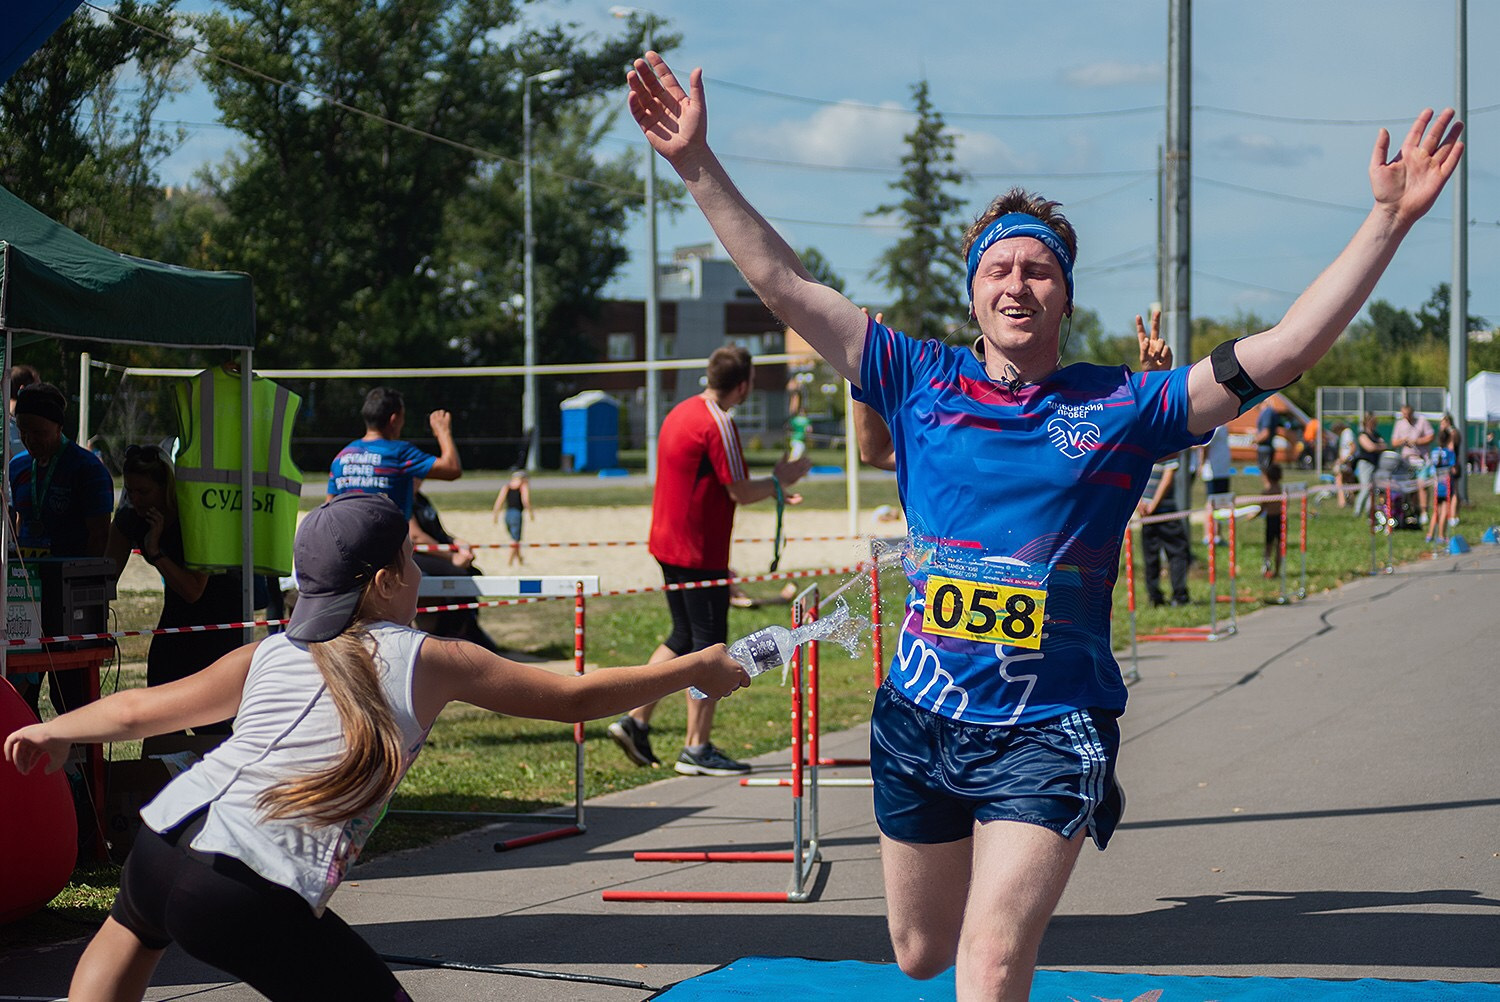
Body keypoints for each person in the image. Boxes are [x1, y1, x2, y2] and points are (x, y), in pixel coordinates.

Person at [623, 50, 1462, 999]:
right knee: (921, 954)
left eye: (1037, 270)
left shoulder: (1124, 404)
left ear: (1065, 292)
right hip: (920, 719)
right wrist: (696, 164)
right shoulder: (914, 376)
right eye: (999, 269)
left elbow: (1281, 353)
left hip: (1050, 725)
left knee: (988, 958)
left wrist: (1388, 221)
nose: (1017, 284)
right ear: (974, 290)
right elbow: (782, 284)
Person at [4, 492, 748, 1001]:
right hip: (243, 881)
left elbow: (137, 711)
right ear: (389, 578)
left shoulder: (271, 650)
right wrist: (695, 668)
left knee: (125, 942)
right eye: (413, 561)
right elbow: (575, 697)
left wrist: (50, 729)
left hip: (164, 844)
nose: (422, 573)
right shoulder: (425, 658)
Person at [608, 345, 811, 776]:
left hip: (670, 544)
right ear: (744, 385)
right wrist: (780, 480)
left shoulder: (681, 411)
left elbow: (716, 488)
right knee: (709, 648)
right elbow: (738, 490)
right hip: (697, 553)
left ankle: (634, 719)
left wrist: (773, 486)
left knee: (682, 635)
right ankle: (696, 749)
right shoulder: (718, 424)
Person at [104, 445, 243, 733]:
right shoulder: (132, 516)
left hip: (217, 618)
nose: (136, 500)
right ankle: (157, 772)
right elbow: (105, 577)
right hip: (177, 616)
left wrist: (155, 553)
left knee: (210, 721)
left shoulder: (195, 518)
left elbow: (194, 591)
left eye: (144, 491)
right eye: (130, 491)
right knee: (157, 711)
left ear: (166, 487)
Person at [8, 382, 115, 717]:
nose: (30, 439)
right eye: (23, 431)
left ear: (58, 426)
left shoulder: (88, 469)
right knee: (19, 692)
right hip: (26, 592)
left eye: (39, 431)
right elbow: (19, 519)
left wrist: (93, 592)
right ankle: (37, 766)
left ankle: (81, 765)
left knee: (70, 695)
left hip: (70, 597)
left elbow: (100, 535)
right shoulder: (18, 467)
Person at [327, 387, 461, 517]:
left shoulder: (341, 457)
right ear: (394, 419)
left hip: (347, 538)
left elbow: (328, 509)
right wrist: (443, 431)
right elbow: (452, 468)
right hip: (389, 538)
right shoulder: (399, 453)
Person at [411, 488, 500, 653]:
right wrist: (451, 556)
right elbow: (415, 537)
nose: (419, 478)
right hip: (416, 555)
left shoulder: (421, 498)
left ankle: (468, 626)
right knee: (458, 575)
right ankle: (450, 635)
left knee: (472, 574)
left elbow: (438, 533)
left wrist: (456, 542)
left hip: (431, 552)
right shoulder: (403, 497)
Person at [1138, 453, 1190, 606]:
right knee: (1160, 554)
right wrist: (1144, 503)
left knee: (1173, 552)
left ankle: (1175, 595)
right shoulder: (1166, 446)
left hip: (1155, 509)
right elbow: (1166, 479)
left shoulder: (1159, 448)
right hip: (1153, 509)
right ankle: (1160, 596)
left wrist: (1148, 504)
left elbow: (1167, 477)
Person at [1391, 403, 1435, 524]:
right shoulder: (1400, 424)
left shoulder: (1422, 421)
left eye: (1408, 414)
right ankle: (1414, 511)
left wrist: (1417, 441)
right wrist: (1403, 441)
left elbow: (1431, 436)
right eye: (1404, 414)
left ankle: (1424, 512)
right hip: (1407, 460)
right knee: (1411, 488)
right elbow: (1394, 441)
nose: (1406, 417)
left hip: (1421, 459)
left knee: (1422, 485)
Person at [490, 469, 533, 566]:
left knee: (514, 538)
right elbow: (526, 501)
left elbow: (499, 502)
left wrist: (495, 515)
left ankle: (520, 560)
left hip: (507, 514)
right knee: (515, 540)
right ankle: (509, 562)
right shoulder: (523, 487)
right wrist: (531, 513)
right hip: (516, 514)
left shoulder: (507, 487)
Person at [1353, 411, 1388, 517]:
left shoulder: (1376, 435)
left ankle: (1370, 512)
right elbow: (1370, 447)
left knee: (1372, 489)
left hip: (1375, 464)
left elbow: (1384, 445)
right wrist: (1378, 446)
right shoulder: (1362, 435)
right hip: (1365, 464)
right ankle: (1357, 511)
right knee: (1365, 488)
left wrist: (1376, 446)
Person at [5, 363, 40, 463]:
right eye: (37, 388)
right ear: (23, 390)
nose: (41, 394)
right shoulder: (4, 425)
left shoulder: (35, 422)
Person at [1261, 462, 1284, 579]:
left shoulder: (1266, 492)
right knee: (1280, 546)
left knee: (1268, 545)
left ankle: (1266, 566)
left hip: (1271, 519)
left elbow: (1262, 507)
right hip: (1281, 519)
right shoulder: (1281, 490)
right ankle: (1278, 570)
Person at [1333, 420, 1357, 508]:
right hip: (1344, 460)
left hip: (1347, 461)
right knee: (1348, 480)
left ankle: (1342, 501)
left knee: (1339, 478)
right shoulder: (1344, 434)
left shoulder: (1347, 433)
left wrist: (1345, 459)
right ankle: (1350, 499)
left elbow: (1352, 447)